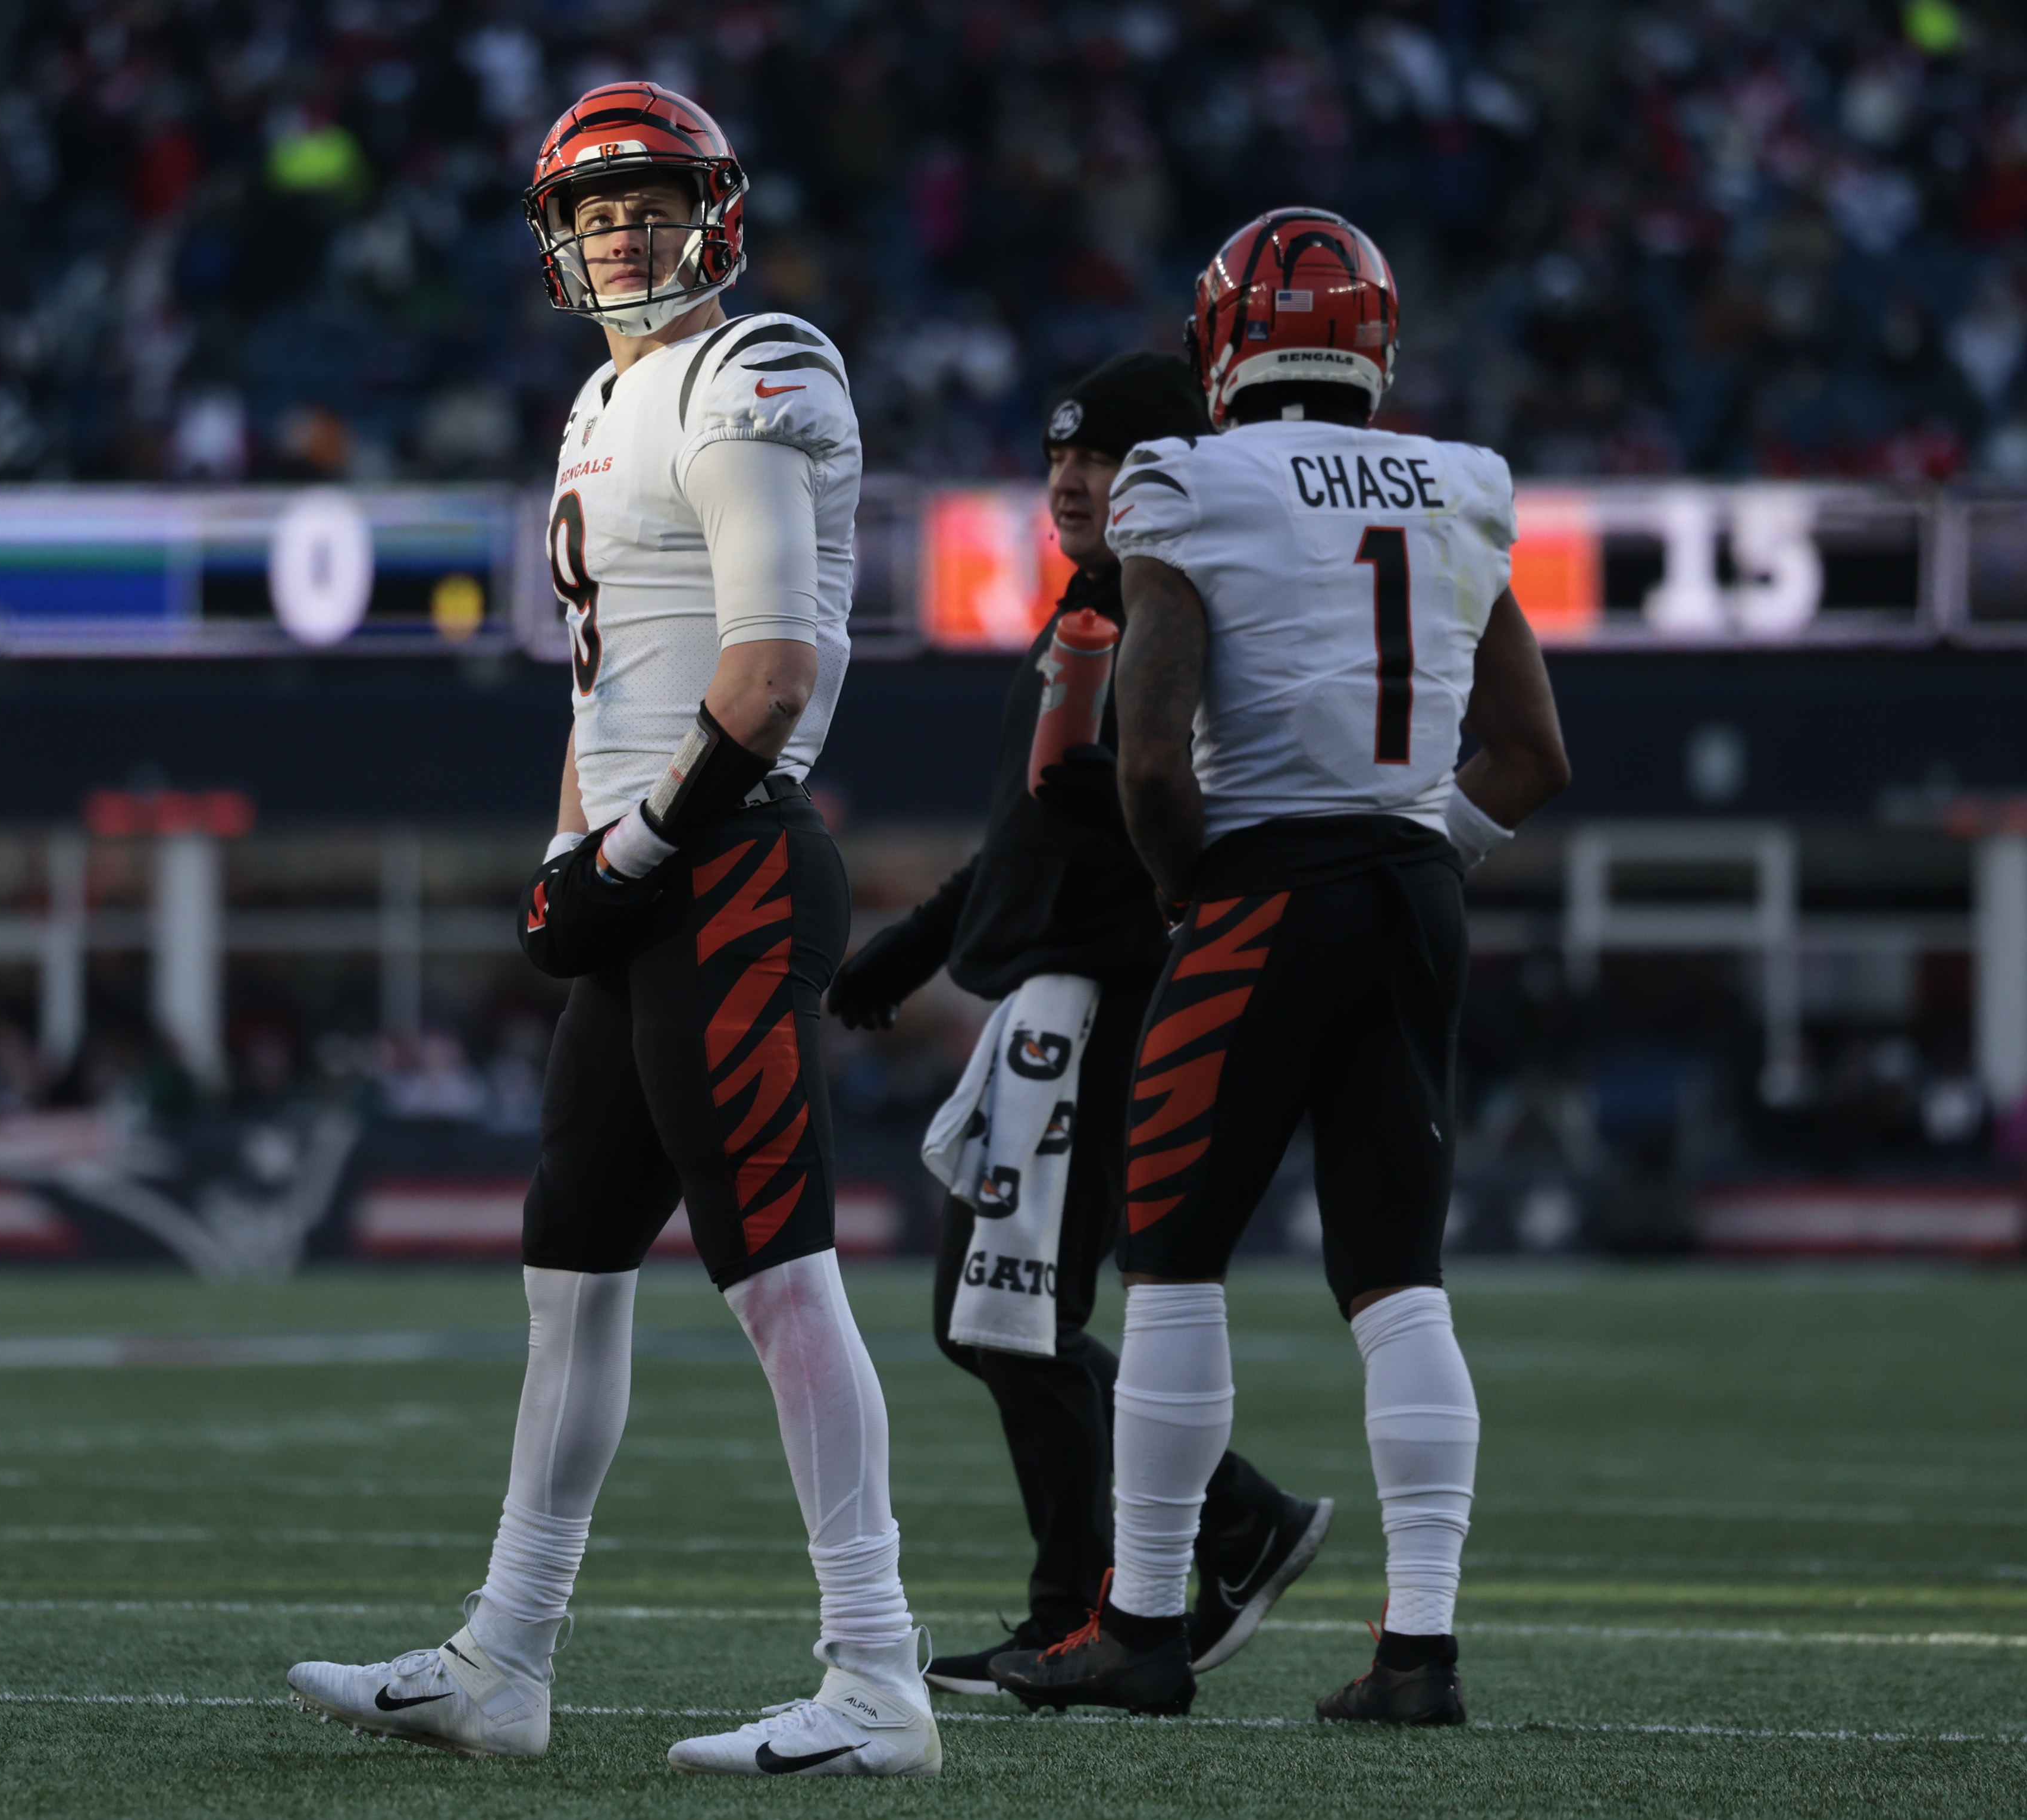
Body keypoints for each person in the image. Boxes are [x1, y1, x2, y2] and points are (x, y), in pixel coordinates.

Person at [287, 83, 940, 1778]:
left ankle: (877, 1675)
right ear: (555, 238)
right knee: (567, 1276)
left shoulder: (751, 367)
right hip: (649, 867)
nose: (622, 231)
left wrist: (629, 852)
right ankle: (503, 1658)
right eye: (593, 210)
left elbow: (766, 669)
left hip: (722, 862)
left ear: (714, 210)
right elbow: (608, 684)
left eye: (650, 200)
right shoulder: (595, 403)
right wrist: (565, 852)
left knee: (777, 1276)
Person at [988, 208, 1571, 1725]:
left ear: (1220, 341)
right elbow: (1534, 754)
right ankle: (1419, 1654)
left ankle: (1144, 1626)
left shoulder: (1186, 476)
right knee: (1398, 1282)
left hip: (1263, 887)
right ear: (1375, 339)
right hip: (1406, 893)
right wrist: (1420, 851)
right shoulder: (1464, 486)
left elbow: (1152, 758)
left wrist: (1198, 898)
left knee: (1174, 1263)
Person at [826, 352, 1333, 1709]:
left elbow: (1160, 818)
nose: (1070, 479)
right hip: (1041, 997)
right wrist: (915, 949)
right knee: (991, 1317)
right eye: (1061, 457)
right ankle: (1196, 1541)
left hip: (1095, 1000)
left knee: (1015, 1321)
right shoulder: (1096, 605)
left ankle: (1142, 1578)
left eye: (1104, 458)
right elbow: (1030, 841)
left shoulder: (1179, 608)